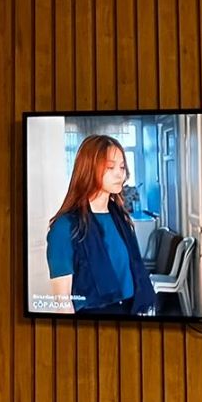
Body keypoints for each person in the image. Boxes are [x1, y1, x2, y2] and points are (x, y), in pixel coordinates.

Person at [45, 134, 158, 317]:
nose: (119, 174)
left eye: (122, 167)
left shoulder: (120, 217)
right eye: (110, 167)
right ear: (89, 169)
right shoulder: (65, 226)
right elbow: (63, 303)